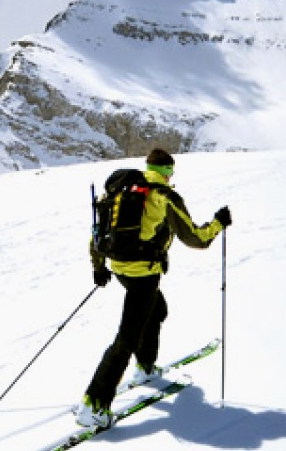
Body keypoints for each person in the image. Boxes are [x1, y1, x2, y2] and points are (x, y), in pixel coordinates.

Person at [75, 149, 232, 428]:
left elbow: (97, 234)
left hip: (118, 267)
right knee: (126, 339)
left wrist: (99, 269)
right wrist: (218, 223)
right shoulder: (163, 196)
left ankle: (145, 367)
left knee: (157, 309)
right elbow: (195, 238)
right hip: (144, 274)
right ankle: (94, 403)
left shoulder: (119, 190)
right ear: (167, 171)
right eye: (170, 172)